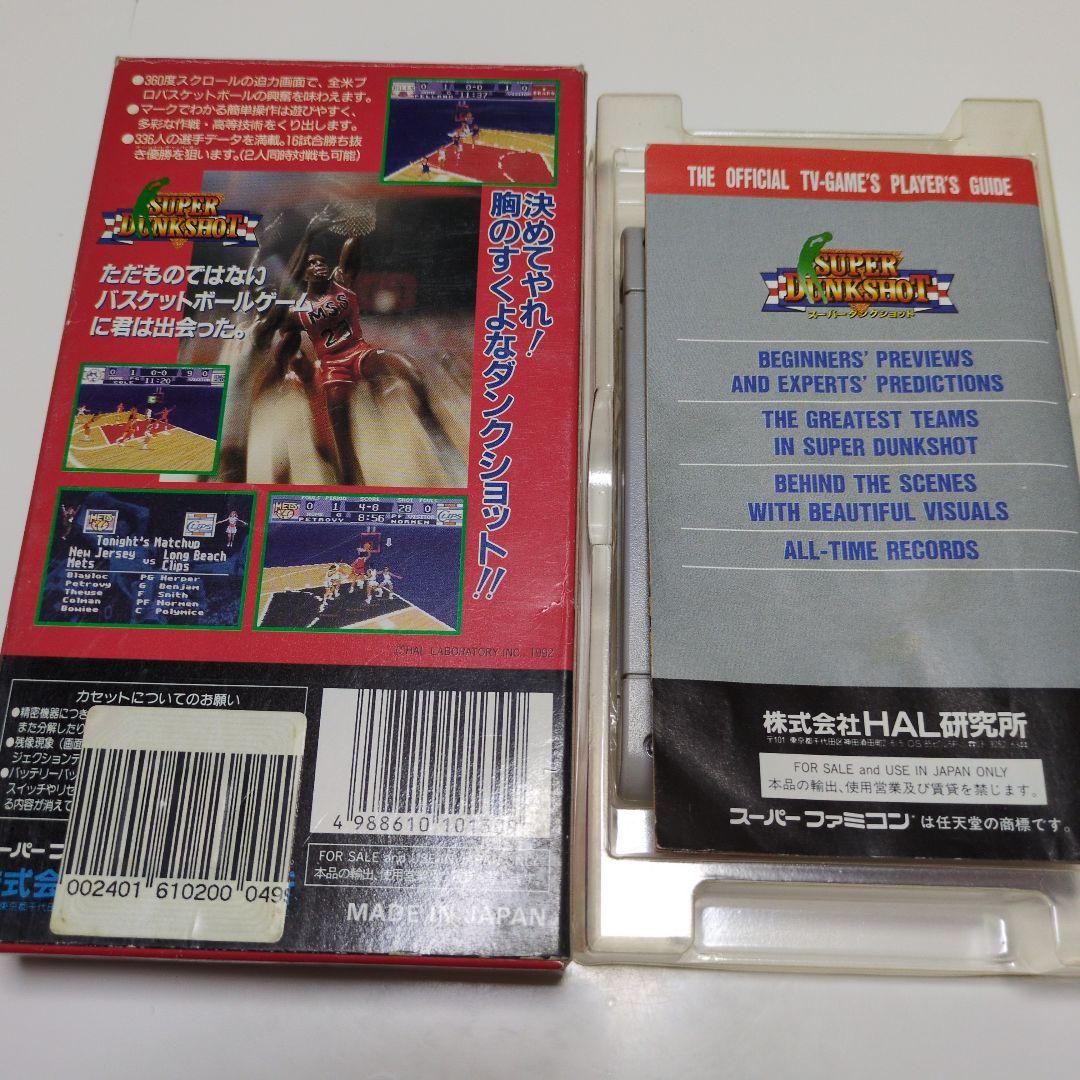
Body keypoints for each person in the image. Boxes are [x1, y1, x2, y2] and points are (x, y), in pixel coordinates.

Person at [262, 214, 446, 485]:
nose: (319, 265)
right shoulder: (297, 311)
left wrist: (357, 221)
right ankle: (349, 483)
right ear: (304, 273)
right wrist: (282, 368)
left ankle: (435, 431)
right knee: (342, 449)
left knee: (410, 372)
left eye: (322, 262)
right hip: (333, 369)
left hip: (360, 352)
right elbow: (284, 340)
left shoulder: (341, 282)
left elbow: (352, 248)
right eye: (312, 263)